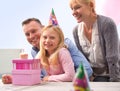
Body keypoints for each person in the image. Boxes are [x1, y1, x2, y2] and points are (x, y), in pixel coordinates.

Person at [2, 18, 93, 84]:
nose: (31, 36)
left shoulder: (64, 47)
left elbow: (85, 70)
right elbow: (34, 74)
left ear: (43, 28)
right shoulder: (36, 52)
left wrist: (52, 79)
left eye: (34, 31)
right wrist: (15, 78)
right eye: (27, 34)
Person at [69, 0, 120, 82]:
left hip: (110, 75)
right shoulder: (76, 30)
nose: (73, 12)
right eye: (72, 9)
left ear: (91, 5)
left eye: (77, 7)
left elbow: (113, 57)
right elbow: (82, 59)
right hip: (92, 76)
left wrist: (114, 82)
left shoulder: (107, 24)